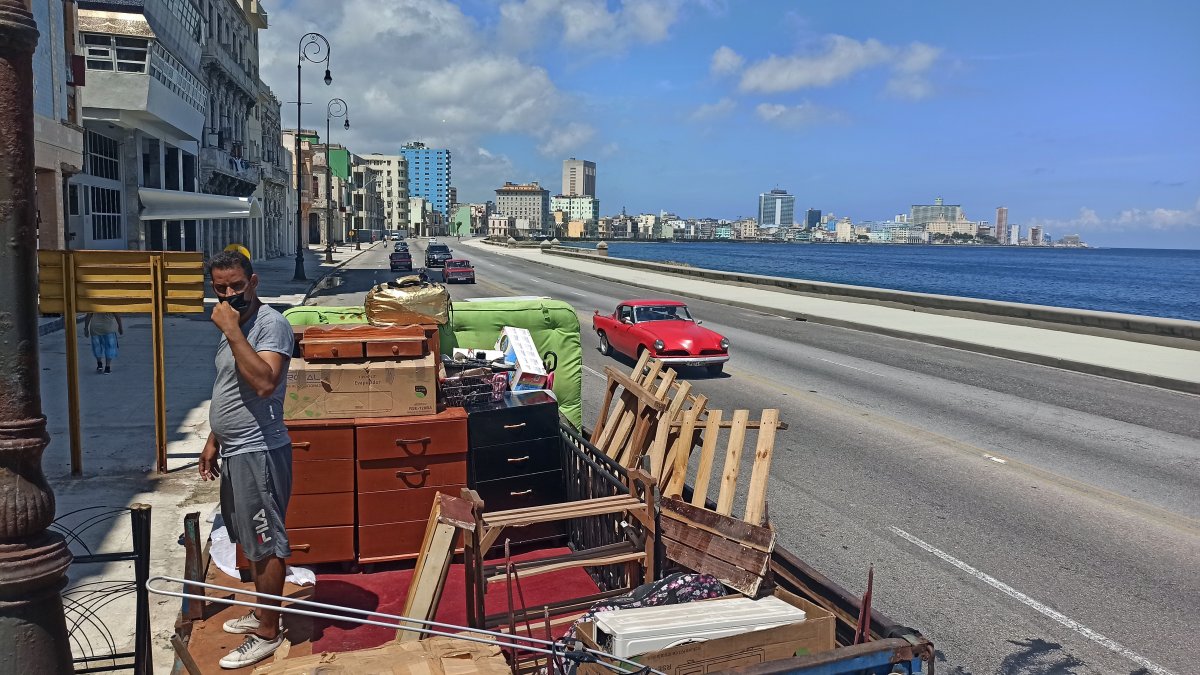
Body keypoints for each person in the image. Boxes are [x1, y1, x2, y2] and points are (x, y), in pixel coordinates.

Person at [197, 251, 295, 669]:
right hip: (234, 448)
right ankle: (263, 610)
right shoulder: (232, 323)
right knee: (249, 542)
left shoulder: (271, 324)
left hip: (260, 449)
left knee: (265, 542)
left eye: (237, 285)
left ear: (253, 281)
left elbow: (263, 383)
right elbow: (228, 384)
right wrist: (212, 439)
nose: (230, 294)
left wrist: (233, 329)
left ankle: (269, 633)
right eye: (221, 288)